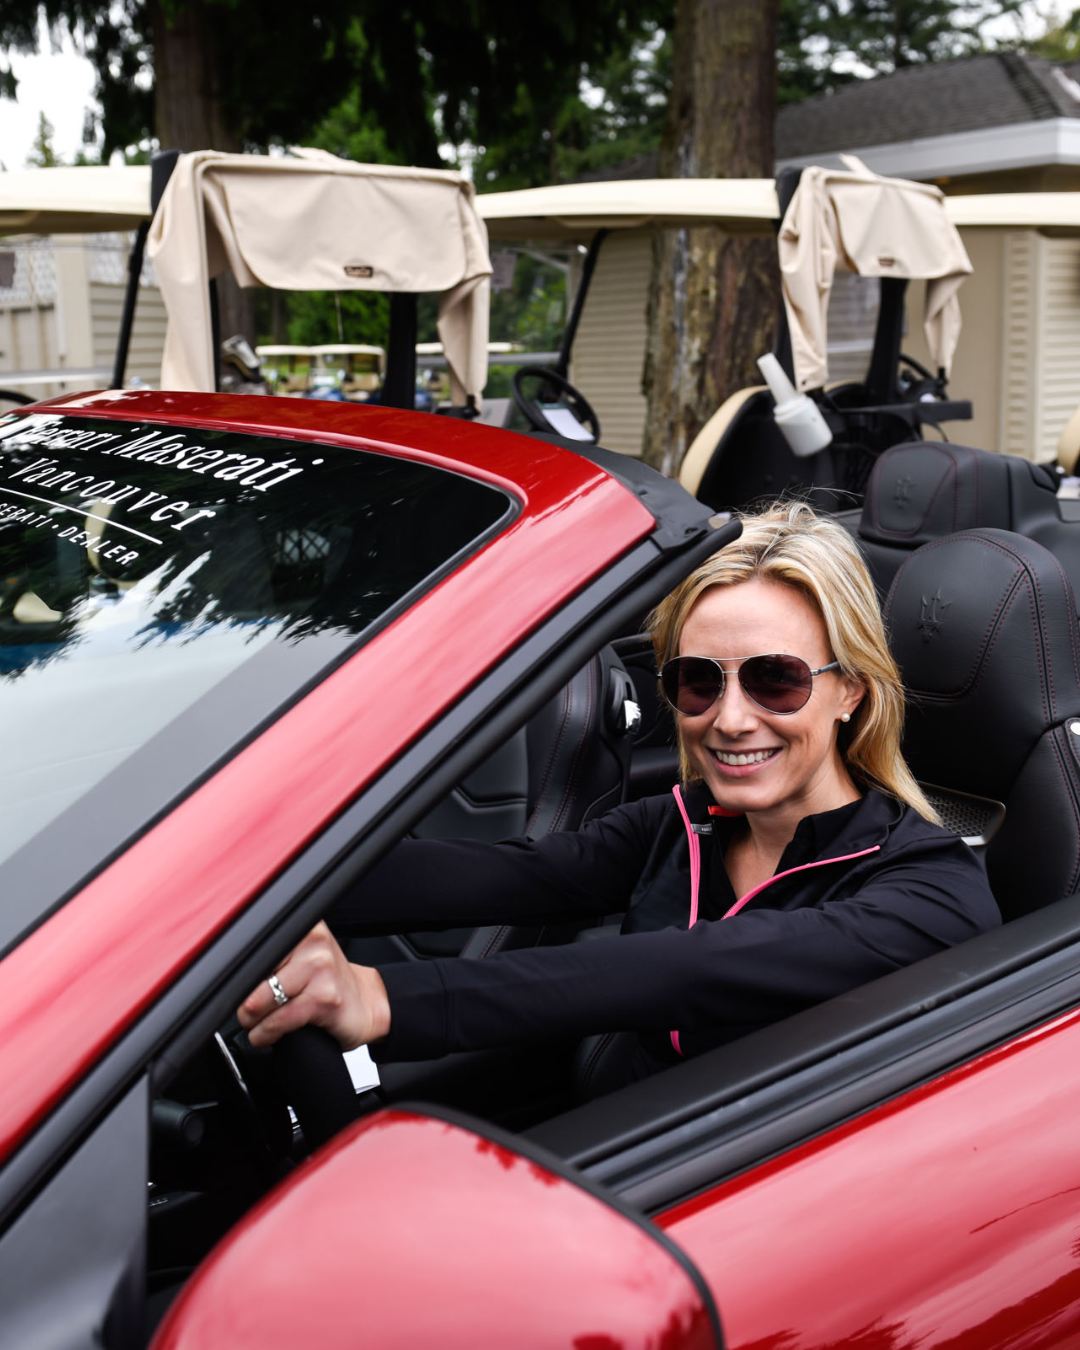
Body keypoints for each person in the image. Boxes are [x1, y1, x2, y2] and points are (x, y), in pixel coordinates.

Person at [238, 501, 1000, 1094]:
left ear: (852, 694)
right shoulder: (688, 821)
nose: (730, 719)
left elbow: (687, 969)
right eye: (699, 681)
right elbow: (510, 875)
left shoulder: (928, 893)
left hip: (752, 1209)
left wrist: (379, 999)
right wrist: (241, 888)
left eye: (777, 679)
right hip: (621, 1147)